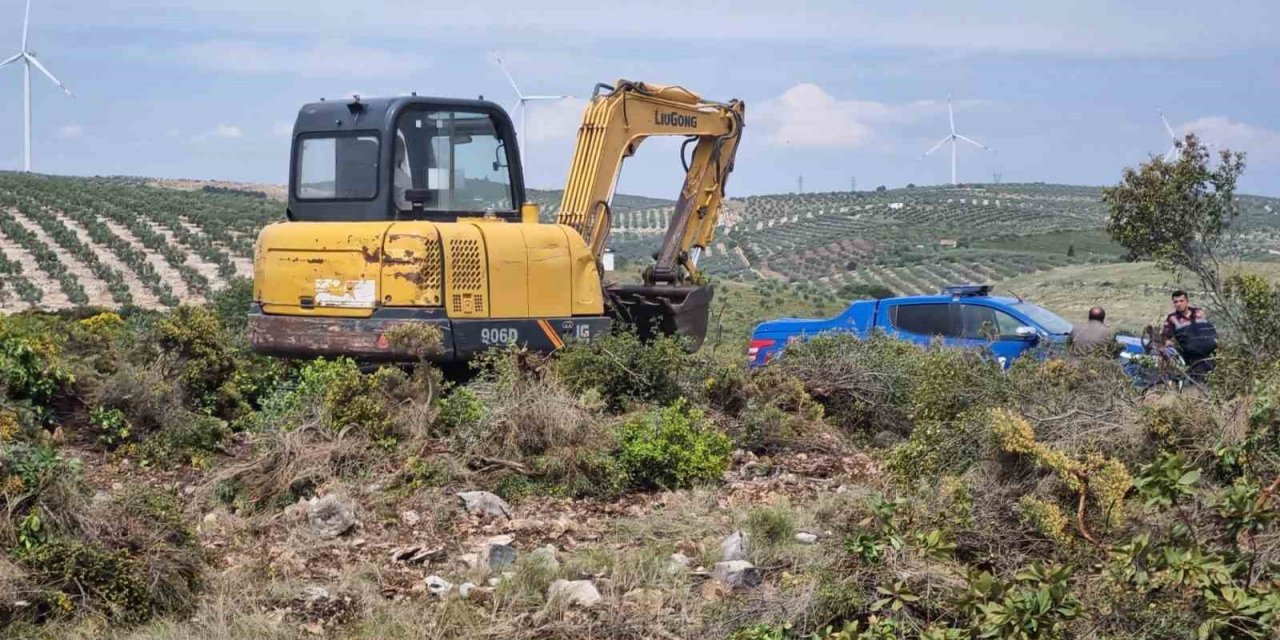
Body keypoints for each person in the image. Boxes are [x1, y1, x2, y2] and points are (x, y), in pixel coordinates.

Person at [1163, 290, 1218, 383]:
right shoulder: (1172, 318)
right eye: (1176, 302)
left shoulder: (1199, 312)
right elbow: (1165, 338)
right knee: (1200, 383)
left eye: (1181, 301)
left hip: (1213, 354)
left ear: (1187, 301)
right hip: (1194, 358)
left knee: (1218, 381)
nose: (1179, 304)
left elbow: (1211, 328)